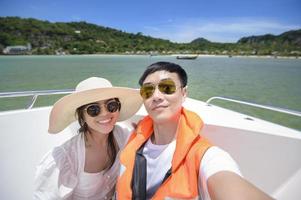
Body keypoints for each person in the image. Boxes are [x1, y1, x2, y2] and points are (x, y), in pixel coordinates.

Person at [117, 62, 273, 200]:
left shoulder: (206, 157)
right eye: (148, 90)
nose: (156, 96)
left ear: (184, 93)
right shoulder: (133, 137)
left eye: (167, 88)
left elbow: (227, 181)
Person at [34, 77, 143, 200]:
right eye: (93, 109)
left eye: (111, 105)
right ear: (82, 116)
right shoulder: (66, 157)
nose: (104, 113)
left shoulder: (123, 135)